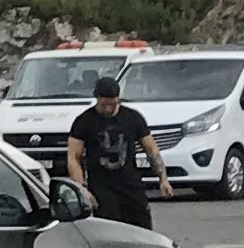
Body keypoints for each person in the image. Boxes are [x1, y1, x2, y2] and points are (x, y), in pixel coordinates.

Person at [66, 68, 171, 230]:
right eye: (103, 105)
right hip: (102, 188)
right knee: (110, 231)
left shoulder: (133, 118)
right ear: (97, 99)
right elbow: (73, 158)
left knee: (142, 230)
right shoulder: (84, 121)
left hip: (131, 186)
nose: (108, 109)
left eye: (113, 104)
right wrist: (82, 190)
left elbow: (151, 150)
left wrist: (163, 179)